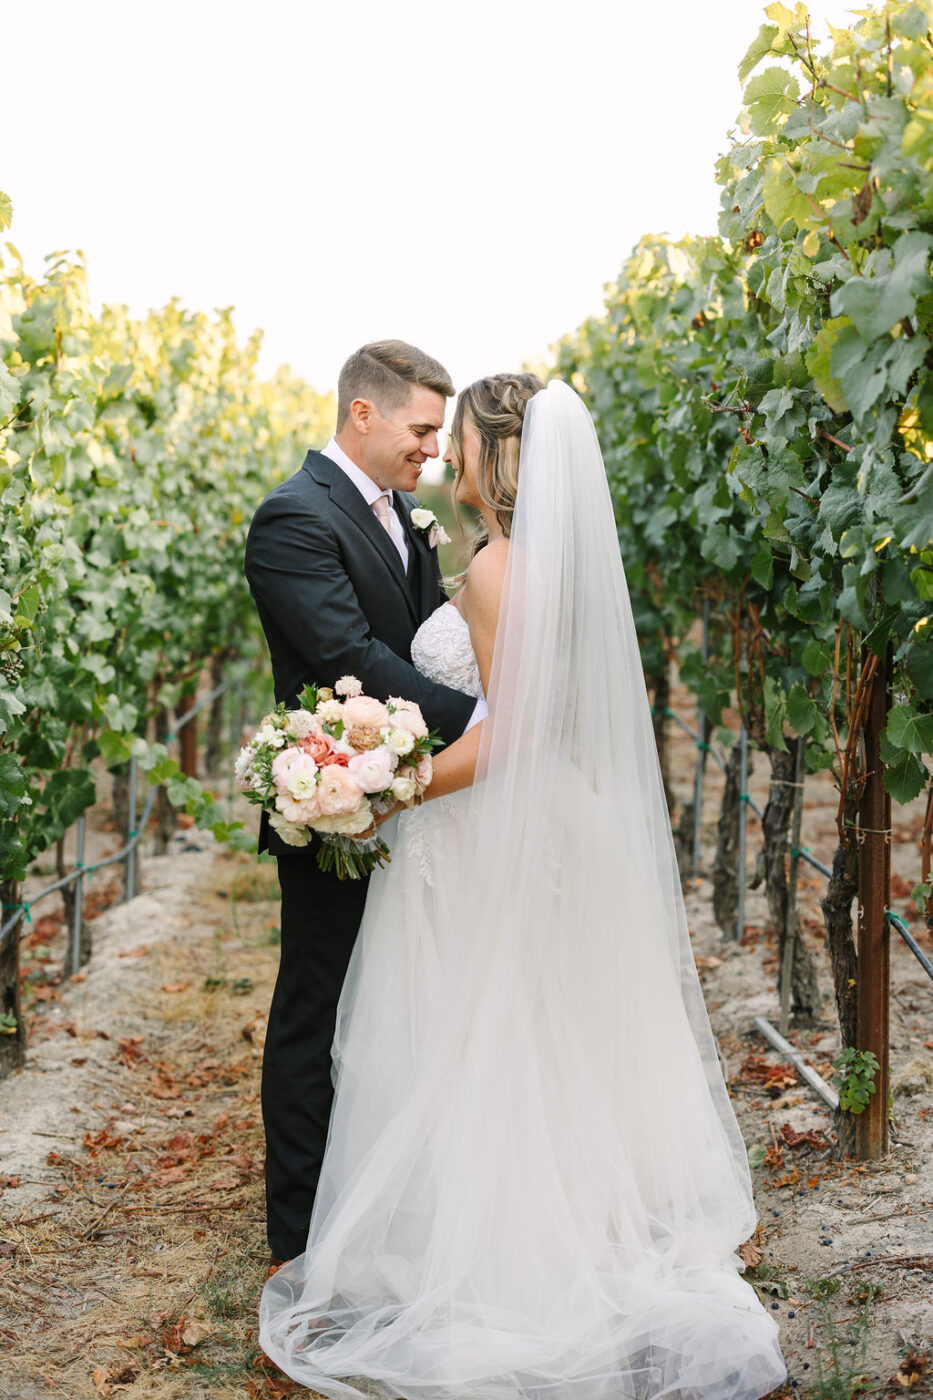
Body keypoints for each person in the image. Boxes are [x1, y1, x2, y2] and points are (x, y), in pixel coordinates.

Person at [259, 376, 788, 1399]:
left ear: (493, 453)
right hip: (537, 823)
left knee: (479, 1032)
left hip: (484, 827)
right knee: (532, 1033)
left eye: (454, 435)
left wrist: (395, 793)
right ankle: (551, 1221)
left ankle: (496, 1250)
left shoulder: (500, 572)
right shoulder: (535, 566)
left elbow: (512, 734)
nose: (444, 452)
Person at [244, 341, 485, 1268]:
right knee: (316, 1008)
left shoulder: (407, 514)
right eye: (422, 427)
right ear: (363, 414)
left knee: (398, 1004)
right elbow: (354, 658)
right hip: (334, 805)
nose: (432, 446)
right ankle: (299, 1238)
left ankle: (387, 1206)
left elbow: (422, 643)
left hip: (415, 802)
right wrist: (492, 719)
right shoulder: (294, 518)